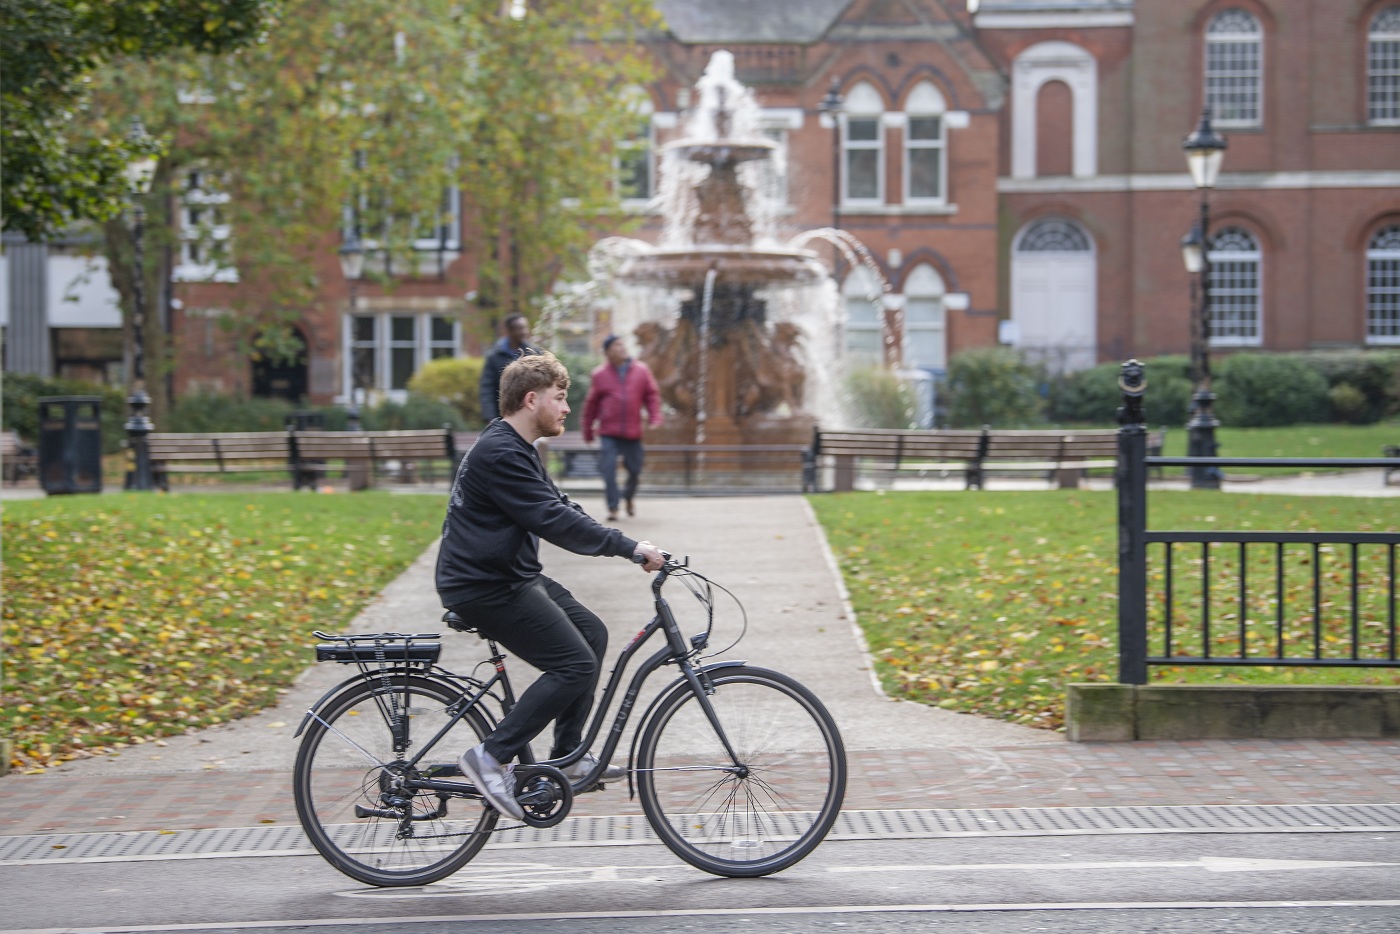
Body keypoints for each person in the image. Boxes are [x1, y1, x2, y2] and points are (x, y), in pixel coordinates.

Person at [437, 350, 665, 820]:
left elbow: (560, 505)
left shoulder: (517, 447)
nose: (566, 409)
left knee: (592, 635)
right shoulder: (501, 452)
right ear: (531, 398)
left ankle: (569, 754)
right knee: (574, 665)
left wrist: (626, 544)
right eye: (560, 399)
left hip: (509, 576)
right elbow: (552, 521)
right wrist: (626, 548)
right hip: (484, 586)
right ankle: (490, 757)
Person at [581, 334, 663, 521]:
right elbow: (591, 405)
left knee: (635, 469)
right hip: (609, 432)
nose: (622, 348)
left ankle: (628, 497)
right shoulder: (599, 374)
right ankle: (613, 507)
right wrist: (587, 431)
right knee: (608, 469)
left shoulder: (641, 370)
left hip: (633, 432)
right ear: (607, 352)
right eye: (617, 345)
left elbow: (651, 396)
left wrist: (655, 417)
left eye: (622, 344)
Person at [478, 313, 536, 422]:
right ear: (509, 331)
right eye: (520, 328)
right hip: (503, 418)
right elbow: (487, 388)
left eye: (525, 328)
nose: (524, 332)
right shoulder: (494, 357)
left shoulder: (534, 354)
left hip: (530, 417)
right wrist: (490, 417)